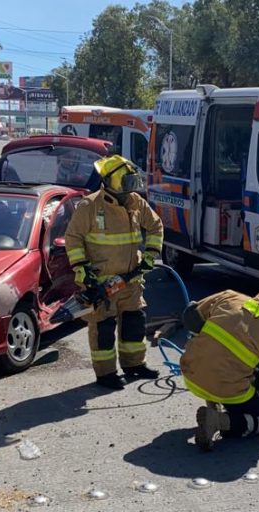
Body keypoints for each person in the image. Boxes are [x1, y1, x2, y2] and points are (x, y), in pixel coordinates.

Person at [64, 155, 165, 390]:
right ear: (111, 181)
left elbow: (155, 226)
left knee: (134, 323)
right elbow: (73, 238)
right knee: (103, 329)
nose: (131, 187)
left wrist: (150, 254)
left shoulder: (135, 202)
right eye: (127, 182)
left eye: (133, 181)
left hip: (131, 280)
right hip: (102, 282)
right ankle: (106, 374)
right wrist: (81, 268)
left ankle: (134, 366)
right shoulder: (90, 206)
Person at [181, 276, 259, 451]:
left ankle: (213, 404)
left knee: (221, 360)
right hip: (225, 387)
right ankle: (219, 421)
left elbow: (190, 316)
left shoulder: (229, 296)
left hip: (191, 374)